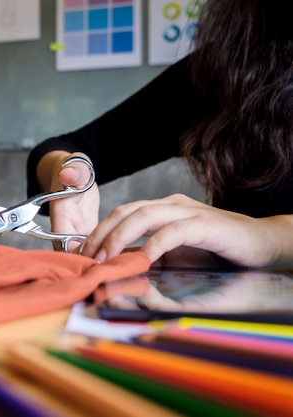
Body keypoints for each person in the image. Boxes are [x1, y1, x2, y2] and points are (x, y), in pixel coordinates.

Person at [27, 0, 293, 268]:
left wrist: (272, 237)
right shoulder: (236, 70)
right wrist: (69, 172)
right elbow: (63, 147)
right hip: (223, 303)